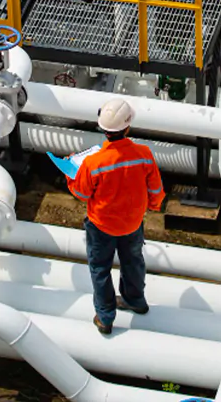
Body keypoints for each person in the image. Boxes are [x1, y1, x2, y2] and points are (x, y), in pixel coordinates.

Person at [67, 98, 165, 335]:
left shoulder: (93, 162)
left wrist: (72, 173)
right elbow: (156, 190)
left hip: (102, 226)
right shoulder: (143, 155)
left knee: (100, 269)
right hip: (132, 223)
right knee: (133, 261)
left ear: (103, 129)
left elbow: (81, 193)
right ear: (127, 127)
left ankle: (105, 317)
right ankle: (135, 300)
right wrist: (152, 205)